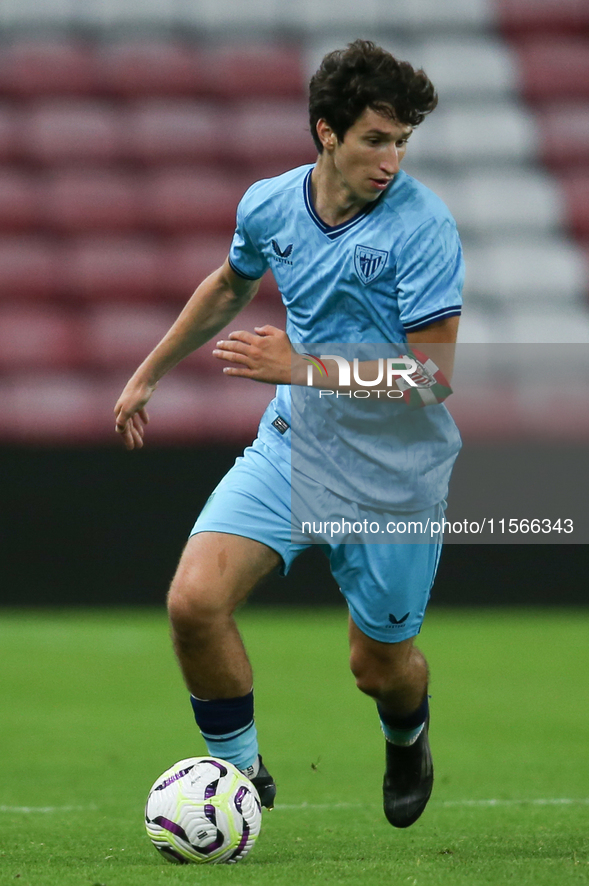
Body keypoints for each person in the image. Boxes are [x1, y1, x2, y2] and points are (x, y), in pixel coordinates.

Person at [114, 39, 464, 828]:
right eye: (376, 139)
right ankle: (239, 780)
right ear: (326, 133)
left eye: (402, 141)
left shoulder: (423, 228)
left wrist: (304, 367)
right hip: (294, 446)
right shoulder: (268, 204)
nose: (391, 159)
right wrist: (150, 371)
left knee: (377, 668)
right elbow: (228, 285)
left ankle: (407, 735)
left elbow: (430, 379)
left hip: (392, 474)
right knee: (194, 602)